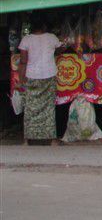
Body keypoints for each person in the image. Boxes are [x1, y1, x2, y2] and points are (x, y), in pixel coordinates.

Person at [17, 17, 64, 145]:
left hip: (31, 76)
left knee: (30, 107)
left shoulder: (26, 39)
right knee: (49, 107)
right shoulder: (52, 37)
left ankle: (26, 140)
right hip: (49, 75)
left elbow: (23, 61)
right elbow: (60, 49)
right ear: (44, 27)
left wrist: (21, 80)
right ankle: (52, 140)